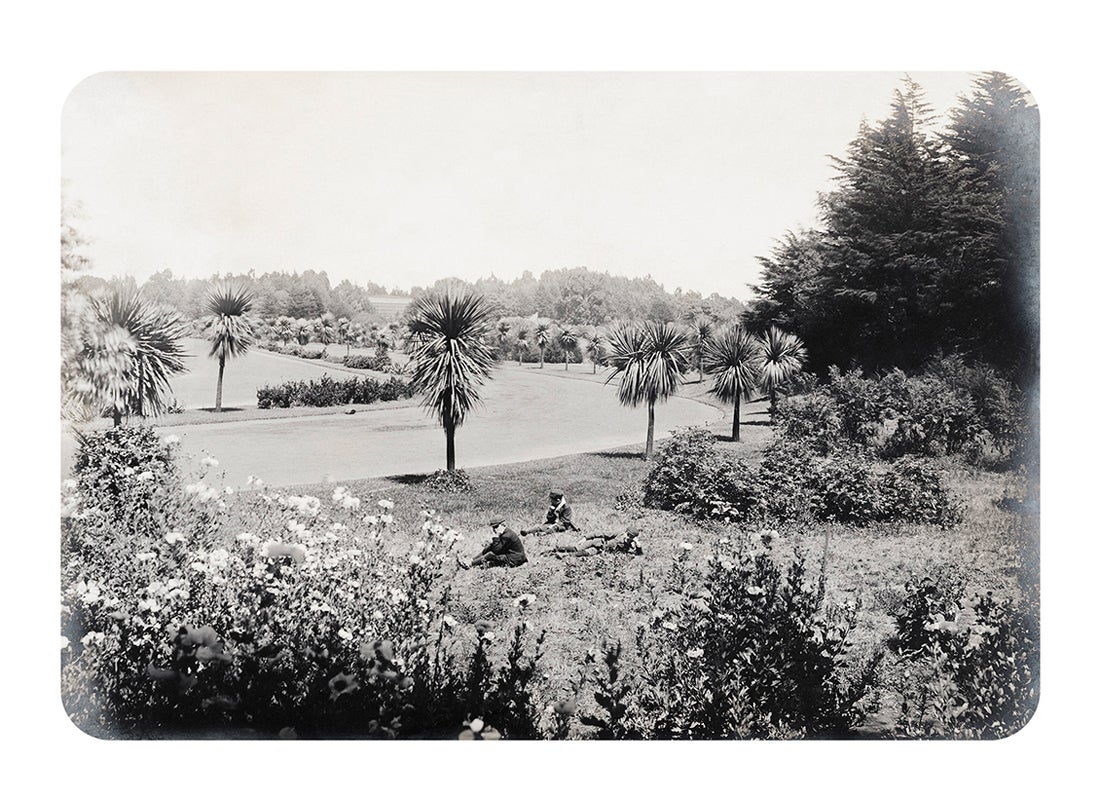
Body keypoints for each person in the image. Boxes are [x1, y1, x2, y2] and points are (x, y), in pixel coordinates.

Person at [458, 515, 527, 569]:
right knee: (489, 547)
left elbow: (496, 551)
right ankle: (471, 560)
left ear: (503, 525)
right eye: (493, 527)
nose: (494, 529)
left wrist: (496, 537)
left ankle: (470, 564)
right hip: (514, 556)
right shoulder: (506, 532)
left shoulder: (507, 535)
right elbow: (496, 547)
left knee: (490, 555)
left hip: (515, 560)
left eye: (496, 527)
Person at [546, 525, 643, 557]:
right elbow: (600, 533)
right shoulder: (618, 533)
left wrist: (638, 544)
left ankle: (563, 555)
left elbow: (639, 555)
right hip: (596, 542)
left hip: (600, 550)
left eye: (631, 536)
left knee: (584, 553)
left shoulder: (630, 544)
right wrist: (585, 538)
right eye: (627, 534)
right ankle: (554, 550)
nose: (628, 536)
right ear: (625, 531)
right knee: (576, 548)